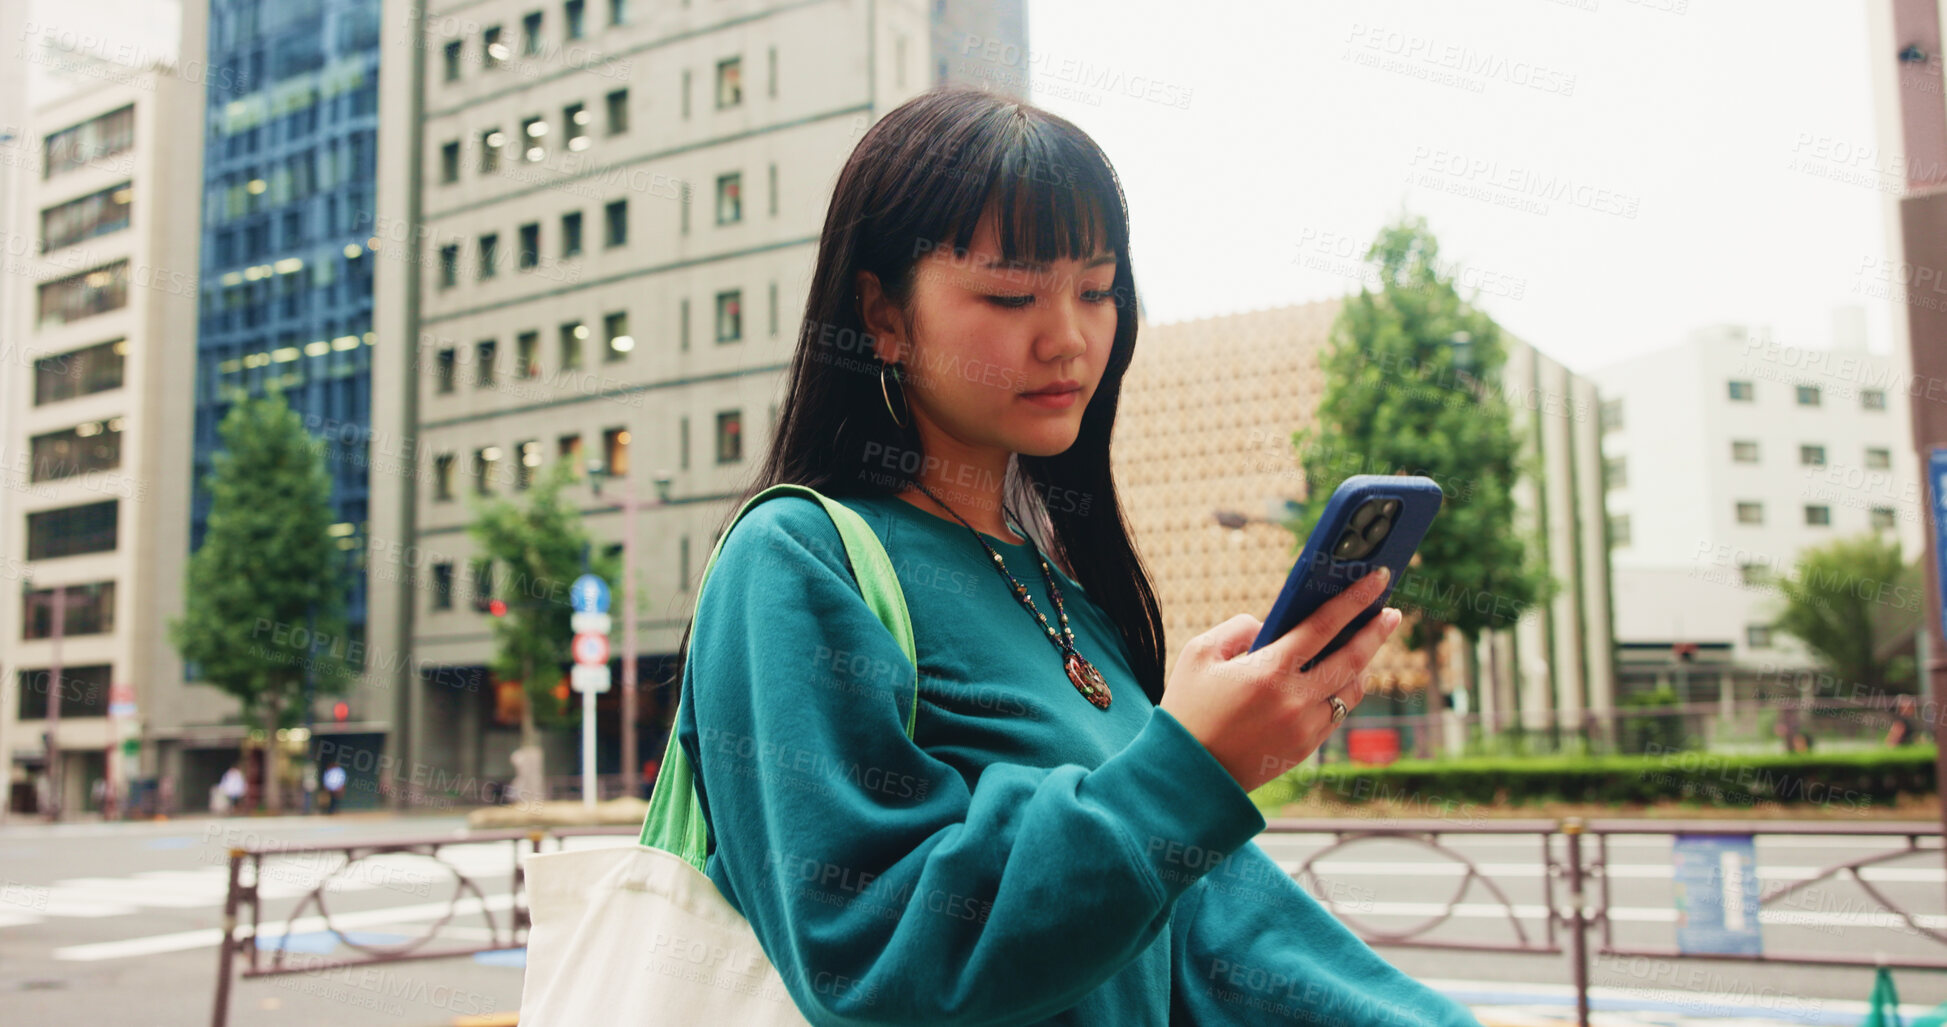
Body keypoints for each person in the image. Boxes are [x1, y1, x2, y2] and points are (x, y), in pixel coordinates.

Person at [668, 87, 1479, 1026]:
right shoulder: (798, 561)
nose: (1069, 337)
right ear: (881, 313)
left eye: (1096, 289)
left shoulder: (1070, 597)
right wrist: (1184, 772)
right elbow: (869, 956)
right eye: (1012, 293)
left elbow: (1224, 941)